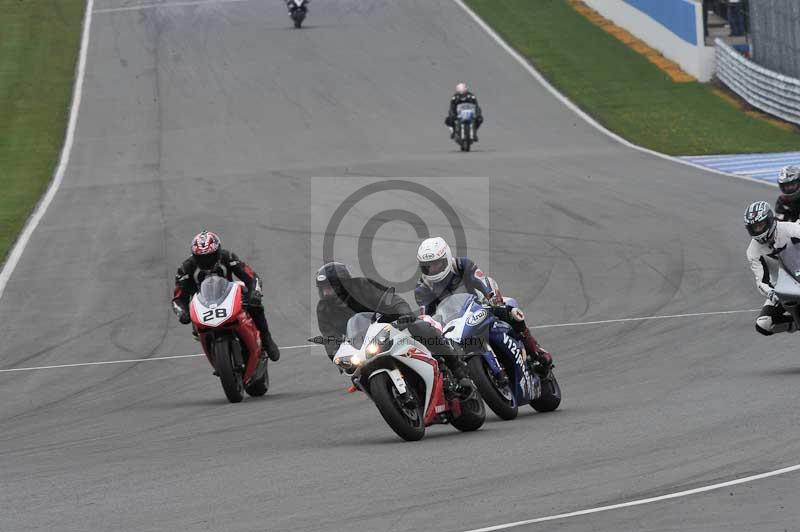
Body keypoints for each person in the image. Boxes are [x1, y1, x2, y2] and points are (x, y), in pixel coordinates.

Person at [314, 262, 475, 394]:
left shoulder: (362, 285)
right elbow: (331, 339)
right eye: (323, 289)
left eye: (329, 287)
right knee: (358, 378)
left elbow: (389, 298)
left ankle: (457, 368)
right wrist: (337, 357)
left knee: (421, 327)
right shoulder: (323, 309)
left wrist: (403, 313)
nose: (326, 292)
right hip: (362, 343)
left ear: (343, 284)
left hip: (390, 323)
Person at [414, 237, 553, 375]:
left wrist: (493, 300)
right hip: (455, 324)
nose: (432, 269)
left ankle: (536, 351)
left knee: (512, 312)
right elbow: (428, 316)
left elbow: (482, 281)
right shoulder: (422, 288)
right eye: (427, 266)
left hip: (480, 305)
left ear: (446, 258)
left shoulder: (461, 265)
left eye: (436, 264)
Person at [172, 231, 281, 361]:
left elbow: (251, 276)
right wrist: (182, 312)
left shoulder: (227, 257)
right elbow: (178, 298)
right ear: (194, 256)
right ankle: (216, 357)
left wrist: (255, 293)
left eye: (210, 256)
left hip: (229, 298)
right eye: (201, 258)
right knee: (196, 330)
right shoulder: (186, 268)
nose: (206, 261)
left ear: (218, 252)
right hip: (202, 307)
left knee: (253, 301)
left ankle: (266, 338)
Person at [744, 201, 800, 336]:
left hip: (798, 276)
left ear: (770, 220)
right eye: (754, 228)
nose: (758, 230)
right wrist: (772, 293)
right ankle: (796, 324)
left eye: (760, 225)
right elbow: (761, 281)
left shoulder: (792, 230)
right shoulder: (753, 251)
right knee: (763, 324)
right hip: (782, 290)